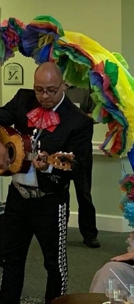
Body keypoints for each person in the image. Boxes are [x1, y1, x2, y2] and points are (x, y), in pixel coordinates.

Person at [0, 62, 94, 304]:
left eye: (51, 90)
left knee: (55, 265)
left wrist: (51, 165)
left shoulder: (78, 121)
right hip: (17, 196)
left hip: (50, 202)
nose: (44, 96)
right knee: (11, 261)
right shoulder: (23, 99)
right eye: (39, 89)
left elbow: (79, 166)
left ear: (64, 85)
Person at [65, 84, 100, 248]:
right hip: (59, 151)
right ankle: (58, 232)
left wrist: (76, 117)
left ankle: (90, 234)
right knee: (58, 194)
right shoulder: (55, 88)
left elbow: (97, 115)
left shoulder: (86, 89)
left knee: (84, 194)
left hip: (82, 152)